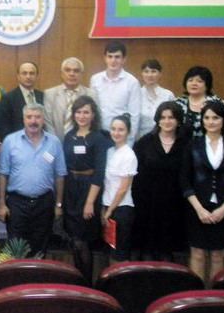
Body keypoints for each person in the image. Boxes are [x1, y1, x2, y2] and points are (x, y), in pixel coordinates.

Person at [180, 101, 224, 283]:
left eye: (215, 118)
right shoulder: (193, 146)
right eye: (206, 118)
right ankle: (197, 295)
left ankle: (215, 294)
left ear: (223, 120)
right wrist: (199, 209)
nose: (211, 122)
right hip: (196, 208)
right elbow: (184, 180)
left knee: (217, 255)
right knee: (197, 253)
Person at [0, 104, 66, 256]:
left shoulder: (54, 143)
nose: (33, 121)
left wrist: (58, 204)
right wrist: (1, 204)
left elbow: (60, 175)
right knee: (15, 250)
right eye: (29, 117)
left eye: (37, 117)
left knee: (40, 250)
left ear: (43, 120)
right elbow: (3, 174)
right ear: (23, 119)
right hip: (16, 203)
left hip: (44, 203)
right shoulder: (10, 141)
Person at [132, 101, 189, 262]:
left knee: (168, 253)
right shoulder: (145, 142)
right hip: (147, 203)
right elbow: (136, 174)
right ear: (157, 120)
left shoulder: (186, 144)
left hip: (175, 204)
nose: (167, 121)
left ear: (178, 120)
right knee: (147, 252)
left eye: (171, 117)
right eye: (163, 117)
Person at [62, 95, 110, 282]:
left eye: (86, 112)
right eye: (78, 112)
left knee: (82, 240)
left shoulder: (99, 138)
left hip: (89, 190)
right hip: (70, 190)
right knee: (74, 239)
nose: (82, 116)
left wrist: (90, 202)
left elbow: (99, 172)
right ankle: (77, 281)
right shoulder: (69, 136)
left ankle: (87, 284)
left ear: (93, 115)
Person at [101, 114, 138, 263]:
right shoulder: (110, 151)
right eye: (113, 129)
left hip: (121, 209)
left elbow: (123, 188)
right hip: (107, 206)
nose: (116, 133)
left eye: (121, 130)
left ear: (128, 132)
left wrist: (110, 211)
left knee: (120, 255)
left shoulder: (129, 155)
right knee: (110, 250)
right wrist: (104, 209)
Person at [90, 41, 141, 144]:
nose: (113, 61)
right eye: (110, 56)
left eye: (117, 57)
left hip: (121, 137)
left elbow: (134, 115)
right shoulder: (95, 80)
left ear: (124, 59)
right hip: (99, 135)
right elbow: (92, 110)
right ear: (105, 58)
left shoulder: (132, 82)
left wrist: (129, 142)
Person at [175, 66, 224, 139]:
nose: (194, 83)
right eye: (190, 80)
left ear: (207, 85)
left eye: (199, 81)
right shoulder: (177, 103)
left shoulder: (218, 104)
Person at [44, 57, 97, 142]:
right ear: (62, 73)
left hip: (84, 143)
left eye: (76, 71)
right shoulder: (50, 94)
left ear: (81, 74)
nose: (72, 74)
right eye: (67, 70)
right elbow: (48, 123)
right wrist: (55, 143)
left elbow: (95, 122)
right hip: (56, 142)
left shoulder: (91, 94)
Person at [0, 62, 44, 142]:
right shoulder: (8, 98)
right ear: (18, 76)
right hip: (17, 144)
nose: (28, 76)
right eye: (24, 73)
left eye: (32, 73)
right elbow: (4, 127)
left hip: (40, 142)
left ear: (36, 76)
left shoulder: (42, 96)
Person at [138, 59, 175, 138]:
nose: (149, 75)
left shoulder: (168, 95)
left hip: (164, 138)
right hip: (141, 139)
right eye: (146, 71)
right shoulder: (136, 94)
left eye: (153, 71)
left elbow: (174, 119)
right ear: (142, 74)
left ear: (160, 74)